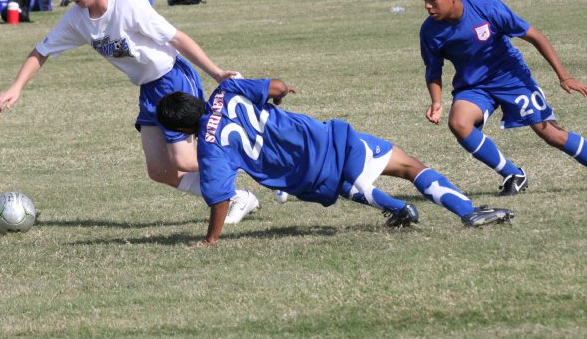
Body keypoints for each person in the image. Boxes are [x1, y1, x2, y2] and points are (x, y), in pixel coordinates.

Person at [0, 0, 260, 224]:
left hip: (173, 80)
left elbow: (177, 38)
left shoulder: (128, 4)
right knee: (159, 170)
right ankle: (238, 196)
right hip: (149, 90)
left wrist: (217, 73)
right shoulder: (76, 19)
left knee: (182, 160)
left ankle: (252, 157)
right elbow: (41, 51)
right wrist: (16, 87)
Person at [156, 78, 515, 246]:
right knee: (409, 167)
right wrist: (281, 94)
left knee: (344, 184)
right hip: (327, 141)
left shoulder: (209, 148)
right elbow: (275, 86)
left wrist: (211, 238)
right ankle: (467, 211)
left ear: (182, 129)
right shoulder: (225, 91)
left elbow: (220, 198)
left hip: (304, 180)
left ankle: (397, 208)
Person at [418, 0, 587, 196]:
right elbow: (433, 70)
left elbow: (535, 36)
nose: (427, 6)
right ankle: (513, 174)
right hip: (474, 86)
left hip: (511, 78)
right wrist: (436, 102)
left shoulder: (489, 9)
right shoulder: (429, 31)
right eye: (425, 0)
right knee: (459, 123)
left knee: (550, 134)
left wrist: (564, 76)